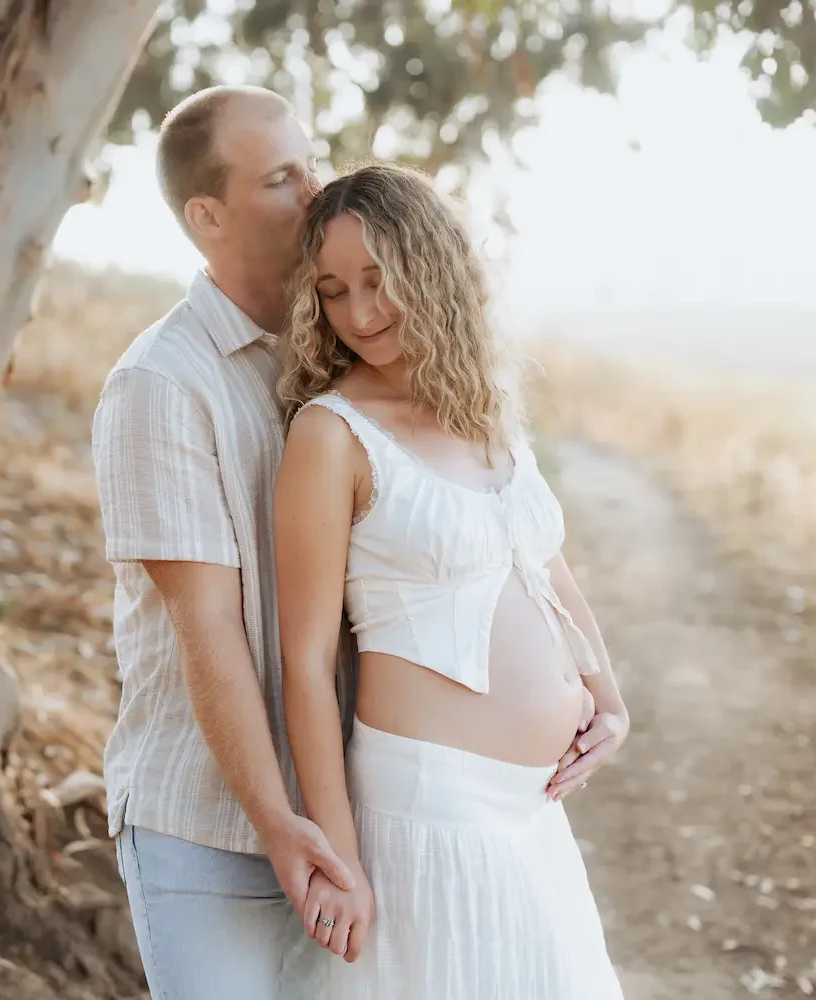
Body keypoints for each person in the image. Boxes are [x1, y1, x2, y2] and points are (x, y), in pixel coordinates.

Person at [272, 161, 631, 998]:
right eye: (332, 291)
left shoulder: (480, 409)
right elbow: (305, 665)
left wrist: (608, 699)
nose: (358, 313)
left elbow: (541, 564)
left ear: (431, 269)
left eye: (377, 280)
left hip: (532, 810)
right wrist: (341, 858)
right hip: (432, 812)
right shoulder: (331, 437)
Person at [90, 85, 359, 999]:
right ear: (207, 216)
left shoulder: (355, 357)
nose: (318, 189)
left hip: (350, 814)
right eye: (283, 177)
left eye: (312, 160)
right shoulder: (160, 386)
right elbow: (207, 628)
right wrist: (280, 821)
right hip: (210, 827)